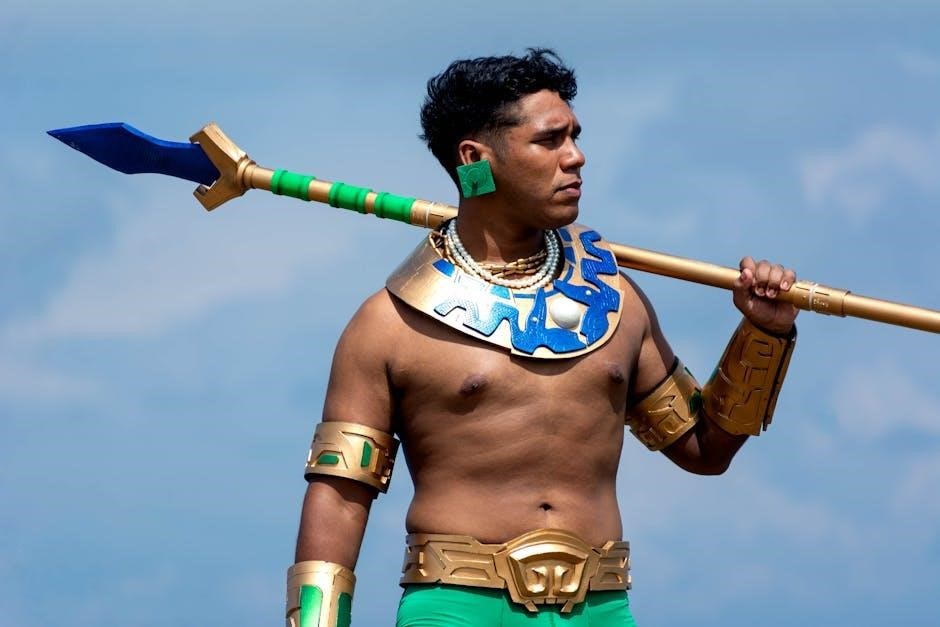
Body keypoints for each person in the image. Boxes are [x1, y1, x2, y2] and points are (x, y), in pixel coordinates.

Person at [286, 49, 798, 627]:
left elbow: (706, 450)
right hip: (456, 608)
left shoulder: (617, 301)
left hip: (601, 608)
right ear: (475, 159)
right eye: (549, 140)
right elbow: (338, 499)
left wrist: (764, 332)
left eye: (575, 136)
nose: (575, 157)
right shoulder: (388, 325)